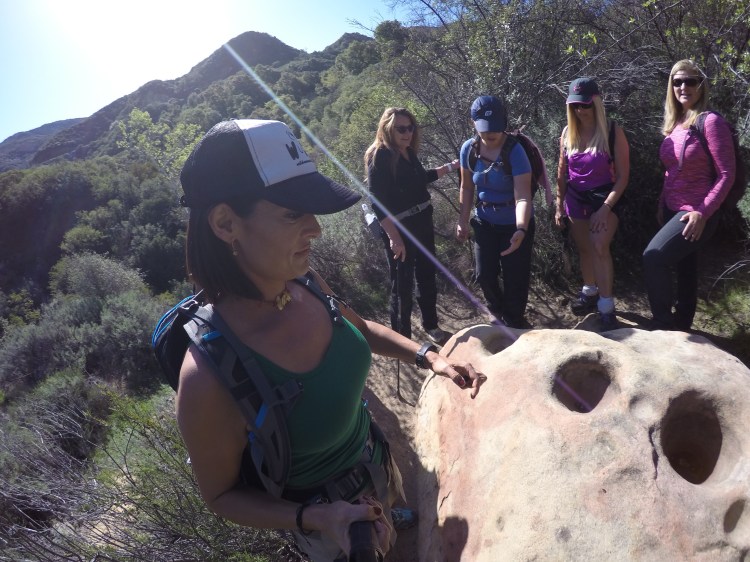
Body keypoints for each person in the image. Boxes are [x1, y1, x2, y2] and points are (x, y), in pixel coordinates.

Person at [175, 119, 486, 562]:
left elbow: (361, 329)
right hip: (327, 530)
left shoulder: (304, 281)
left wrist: (429, 356)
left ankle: (390, 511)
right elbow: (221, 495)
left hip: (373, 462)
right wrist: (319, 519)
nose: (316, 229)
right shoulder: (208, 374)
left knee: (392, 511)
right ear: (226, 223)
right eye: (292, 213)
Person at [643, 60, 736, 331]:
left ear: (701, 85)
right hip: (673, 207)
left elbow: (726, 174)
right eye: (677, 82)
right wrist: (662, 202)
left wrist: (702, 213)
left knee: (653, 257)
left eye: (690, 81)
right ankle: (682, 326)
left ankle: (662, 326)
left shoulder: (711, 122)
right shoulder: (676, 124)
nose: (683, 87)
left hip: (697, 211)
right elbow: (671, 170)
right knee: (685, 267)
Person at [365, 107, 458, 345]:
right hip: (400, 228)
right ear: (388, 129)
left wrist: (450, 167)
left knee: (426, 275)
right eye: (401, 129)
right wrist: (394, 238)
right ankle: (402, 341)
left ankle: (431, 325)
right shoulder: (380, 156)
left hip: (422, 221)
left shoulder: (407, 152)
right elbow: (377, 201)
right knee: (402, 286)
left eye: (410, 128)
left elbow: (420, 178)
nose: (407, 133)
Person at [554, 77, 630, 330]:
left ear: (596, 103)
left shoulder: (612, 131)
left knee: (599, 246)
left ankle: (606, 307)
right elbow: (562, 172)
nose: (580, 110)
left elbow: (623, 177)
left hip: (604, 197)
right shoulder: (567, 132)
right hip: (575, 198)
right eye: (575, 105)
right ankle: (590, 292)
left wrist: (605, 208)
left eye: (585, 105)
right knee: (584, 248)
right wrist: (559, 205)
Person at [455, 95, 534, 328]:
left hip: (514, 222)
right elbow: (466, 187)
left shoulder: (515, 151)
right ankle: (497, 312)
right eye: (484, 128)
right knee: (484, 274)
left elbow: (523, 195)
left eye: (495, 127)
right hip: (485, 221)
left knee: (515, 278)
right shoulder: (468, 150)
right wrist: (462, 220)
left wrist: (521, 228)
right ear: (473, 123)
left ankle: (515, 321)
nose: (490, 133)